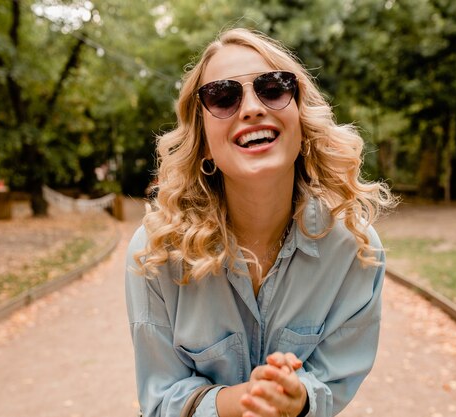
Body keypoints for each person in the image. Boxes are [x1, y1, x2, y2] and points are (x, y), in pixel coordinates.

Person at [125, 27, 396, 417]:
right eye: (223, 96)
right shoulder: (153, 253)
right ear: (203, 141)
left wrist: (297, 398)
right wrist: (247, 399)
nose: (252, 107)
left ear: (301, 121)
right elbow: (160, 397)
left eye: (273, 88)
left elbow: (334, 379)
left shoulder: (355, 247)